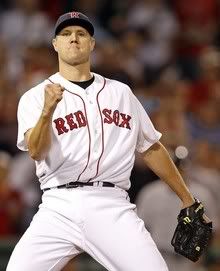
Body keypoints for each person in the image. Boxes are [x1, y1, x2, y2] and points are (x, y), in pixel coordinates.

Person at [7, 11, 201, 271]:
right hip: (57, 206)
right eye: (65, 34)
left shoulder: (121, 93)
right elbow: (36, 150)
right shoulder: (34, 97)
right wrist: (47, 111)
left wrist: (188, 199)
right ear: (55, 44)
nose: (73, 38)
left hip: (111, 204)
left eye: (81, 33)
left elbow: (151, 147)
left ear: (92, 43)